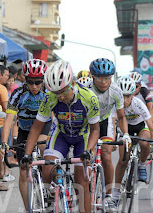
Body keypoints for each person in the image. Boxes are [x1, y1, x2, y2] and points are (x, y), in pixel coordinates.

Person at [21, 60, 100, 213]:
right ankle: (54, 198)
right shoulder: (49, 97)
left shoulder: (89, 98)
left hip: (82, 138)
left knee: (81, 182)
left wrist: (88, 151)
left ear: (72, 83)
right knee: (46, 170)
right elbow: (36, 127)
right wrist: (27, 154)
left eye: (63, 92)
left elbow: (95, 130)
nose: (61, 97)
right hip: (61, 135)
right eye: (57, 94)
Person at [0, 59, 50, 210]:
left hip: (43, 127)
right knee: (23, 171)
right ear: (25, 80)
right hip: (25, 131)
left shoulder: (48, 92)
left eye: (38, 82)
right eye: (30, 82)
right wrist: (4, 143)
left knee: (43, 145)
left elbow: (55, 117)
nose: (34, 86)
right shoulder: (18, 93)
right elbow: (9, 119)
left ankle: (48, 182)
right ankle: (28, 208)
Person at [88, 58, 130, 211]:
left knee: (106, 156)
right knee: (86, 155)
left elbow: (120, 117)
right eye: (100, 78)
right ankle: (85, 186)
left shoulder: (116, 91)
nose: (104, 82)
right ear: (93, 77)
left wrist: (125, 134)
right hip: (87, 124)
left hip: (104, 123)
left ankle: (108, 196)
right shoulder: (85, 89)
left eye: (108, 78)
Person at [114, 76, 153, 187]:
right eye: (121, 96)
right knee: (123, 159)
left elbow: (151, 127)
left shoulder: (138, 103)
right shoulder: (115, 104)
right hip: (125, 128)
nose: (124, 100)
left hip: (140, 127)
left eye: (128, 96)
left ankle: (142, 164)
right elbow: (112, 121)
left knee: (144, 142)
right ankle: (116, 190)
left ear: (133, 94)